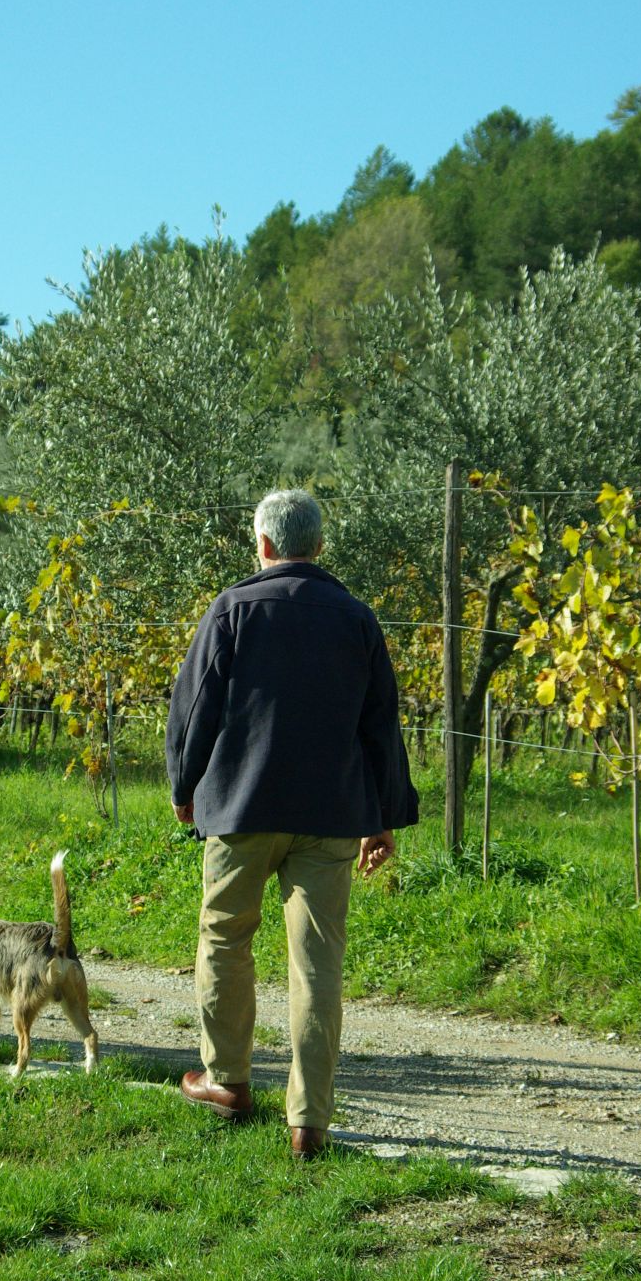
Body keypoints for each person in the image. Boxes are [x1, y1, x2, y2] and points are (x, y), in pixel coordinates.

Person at [165, 488, 418, 1157]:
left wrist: (183, 786)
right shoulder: (356, 618)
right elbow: (380, 725)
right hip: (331, 815)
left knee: (224, 940)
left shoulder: (233, 609)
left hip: (241, 809)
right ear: (319, 546)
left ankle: (225, 1082)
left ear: (263, 544)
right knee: (317, 965)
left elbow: (195, 711)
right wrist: (384, 815)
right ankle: (308, 1119)